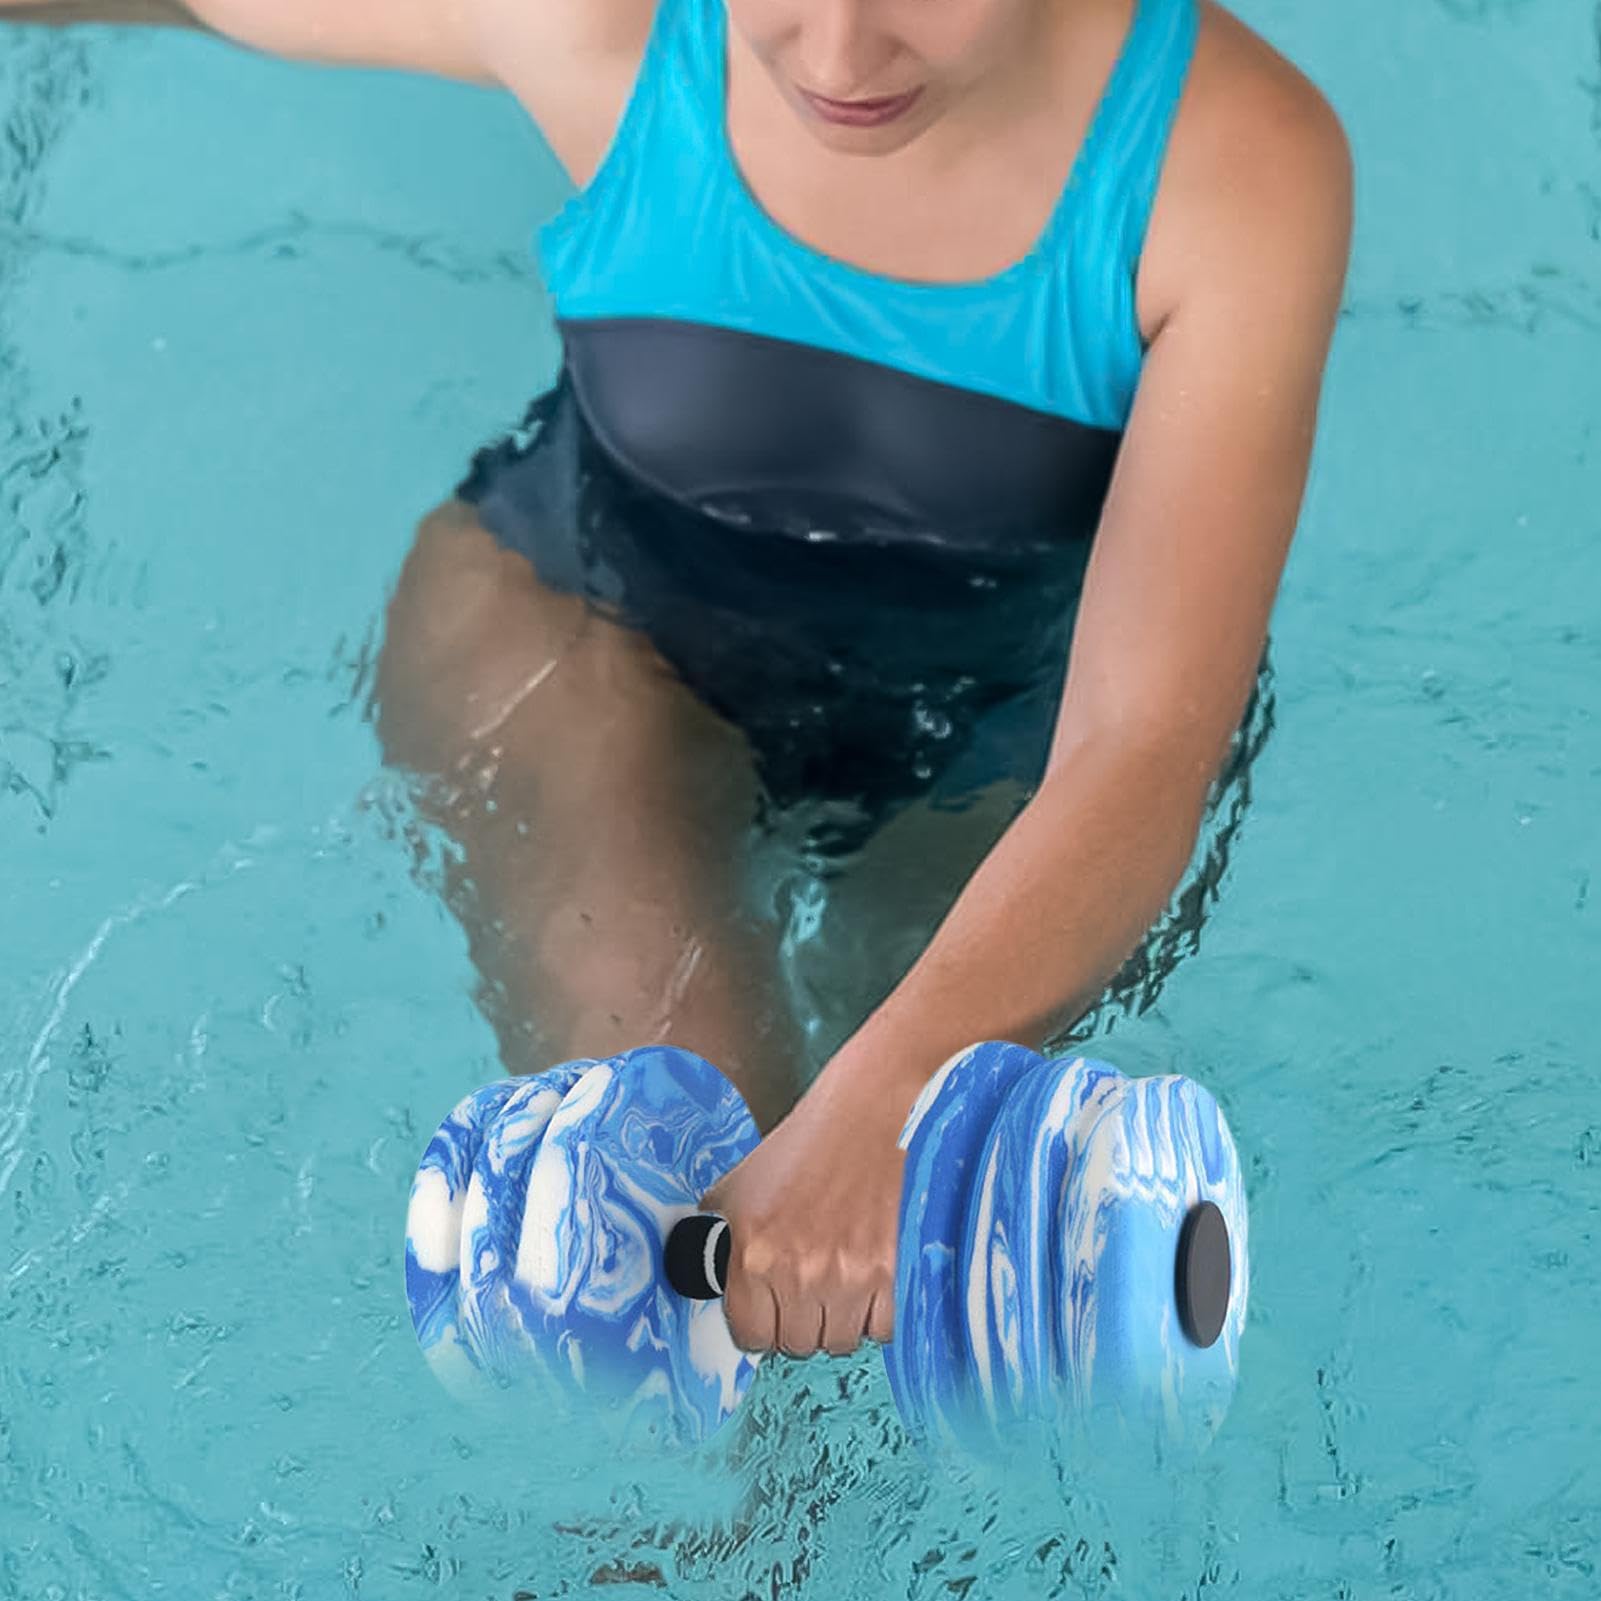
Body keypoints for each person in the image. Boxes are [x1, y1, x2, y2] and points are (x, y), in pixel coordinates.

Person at [3, 0, 1353, 1365]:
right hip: (592, 636)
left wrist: (889, 1095)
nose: (835, 59)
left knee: (958, 1271)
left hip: (1007, 726)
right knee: (654, 1199)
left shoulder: (1225, 162)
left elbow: (1137, 739)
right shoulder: (606, 23)